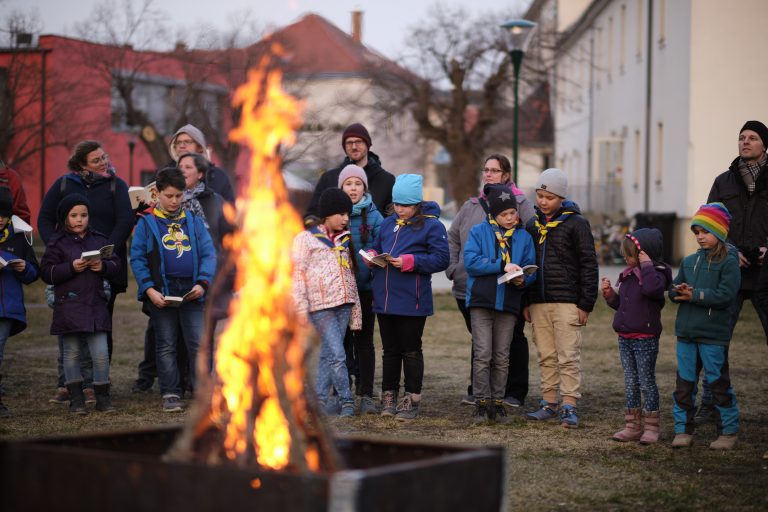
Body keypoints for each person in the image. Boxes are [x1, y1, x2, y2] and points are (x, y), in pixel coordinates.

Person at [38, 140, 132, 404]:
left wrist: (105, 249)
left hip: (104, 265)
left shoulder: (116, 186)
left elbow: (125, 220)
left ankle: (96, 384)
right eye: (96, 160)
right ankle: (67, 383)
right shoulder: (64, 184)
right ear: (81, 164)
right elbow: (45, 217)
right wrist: (58, 245)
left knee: (100, 324)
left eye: (104, 157)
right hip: (69, 269)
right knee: (68, 325)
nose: (104, 163)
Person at [446, 154, 535, 408]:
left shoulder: (520, 202)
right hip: (471, 288)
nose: (488, 174)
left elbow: (532, 234)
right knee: (481, 343)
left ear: (506, 175)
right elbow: (452, 237)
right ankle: (480, 392)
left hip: (509, 291)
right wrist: (454, 268)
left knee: (509, 343)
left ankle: (512, 392)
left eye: (494, 171)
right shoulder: (471, 205)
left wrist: (524, 277)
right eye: (485, 170)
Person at [130, 168, 216, 412]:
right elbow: (137, 259)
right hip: (162, 292)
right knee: (166, 343)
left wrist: (202, 282)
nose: (174, 201)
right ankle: (170, 392)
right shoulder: (146, 222)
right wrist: (149, 289)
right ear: (156, 193)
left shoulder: (194, 222)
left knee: (198, 342)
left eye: (179, 196)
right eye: (169, 196)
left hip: (192, 290)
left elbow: (209, 253)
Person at [366, 174, 449, 421]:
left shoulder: (432, 226)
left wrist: (411, 262)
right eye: (397, 205)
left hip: (412, 301)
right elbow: (376, 244)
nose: (400, 210)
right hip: (385, 299)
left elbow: (442, 259)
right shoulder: (387, 223)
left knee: (410, 350)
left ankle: (412, 397)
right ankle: (388, 394)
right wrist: (371, 255)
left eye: (406, 205)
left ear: (417, 204)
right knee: (390, 351)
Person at [702, 120, 768, 425]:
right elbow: (710, 221)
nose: (745, 142)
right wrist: (729, 250)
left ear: (764, 145)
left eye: (752, 138)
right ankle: (712, 402)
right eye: (741, 137)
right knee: (716, 341)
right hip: (730, 273)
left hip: (766, 276)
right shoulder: (723, 182)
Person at [523, 168, 598, 429]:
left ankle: (569, 404)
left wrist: (585, 303)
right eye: (540, 195)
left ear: (561, 198)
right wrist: (526, 301)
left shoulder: (577, 224)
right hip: (539, 301)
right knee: (546, 354)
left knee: (568, 355)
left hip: (567, 301)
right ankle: (548, 402)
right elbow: (526, 263)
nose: (543, 202)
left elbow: (589, 264)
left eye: (550, 197)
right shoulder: (532, 224)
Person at [669, 203, 741, 450]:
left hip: (713, 336)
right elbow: (674, 287)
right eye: (696, 232)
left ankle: (728, 431)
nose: (700, 237)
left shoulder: (730, 262)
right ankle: (683, 430)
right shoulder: (689, 261)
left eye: (705, 231)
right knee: (684, 385)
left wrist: (696, 295)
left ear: (720, 232)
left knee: (718, 384)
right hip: (686, 335)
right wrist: (676, 291)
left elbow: (726, 295)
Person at [40, 194, 120, 414]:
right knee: (72, 353)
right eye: (74, 215)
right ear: (64, 218)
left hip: (95, 306)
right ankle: (76, 399)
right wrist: (70, 267)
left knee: (101, 353)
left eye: (83, 215)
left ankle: (103, 397)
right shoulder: (57, 243)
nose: (79, 219)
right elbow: (46, 272)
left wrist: (103, 266)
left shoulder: (99, 239)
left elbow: (116, 264)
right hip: (69, 306)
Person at [463, 183, 536, 424]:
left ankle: (498, 401)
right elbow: (472, 262)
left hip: (508, 303)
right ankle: (482, 402)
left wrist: (524, 278)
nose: (510, 218)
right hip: (482, 302)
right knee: (483, 353)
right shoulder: (478, 232)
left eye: (513, 213)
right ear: (493, 215)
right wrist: (501, 265)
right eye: (504, 214)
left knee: (502, 356)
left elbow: (530, 266)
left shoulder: (523, 237)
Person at [293, 188, 362, 418]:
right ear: (327, 214)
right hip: (320, 307)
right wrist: (301, 309)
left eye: (348, 215)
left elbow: (350, 274)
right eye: (341, 213)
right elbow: (296, 274)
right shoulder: (306, 239)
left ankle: (320, 401)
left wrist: (356, 309)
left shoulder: (345, 239)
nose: (345, 218)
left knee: (328, 355)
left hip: (344, 304)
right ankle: (346, 400)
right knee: (338, 354)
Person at [601, 229, 672, 444]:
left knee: (646, 381)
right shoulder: (629, 274)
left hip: (645, 338)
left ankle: (651, 426)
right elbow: (622, 305)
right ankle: (632, 425)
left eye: (629, 255)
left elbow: (652, 290)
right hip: (625, 337)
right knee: (630, 381)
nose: (625, 258)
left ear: (644, 254)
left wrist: (647, 265)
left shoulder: (658, 274)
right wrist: (610, 295)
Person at [338, 165, 383, 414]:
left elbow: (382, 245)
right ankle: (342, 392)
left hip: (366, 289)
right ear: (341, 187)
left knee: (364, 342)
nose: (353, 188)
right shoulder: (334, 216)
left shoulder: (375, 217)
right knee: (341, 342)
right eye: (348, 184)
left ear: (364, 188)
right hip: (340, 291)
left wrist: (374, 260)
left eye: (357, 184)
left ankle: (366, 393)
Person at [0, 187, 39, 417]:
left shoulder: (19, 236)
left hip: (7, 308)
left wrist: (25, 268)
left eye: (4, 215)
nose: (0, 220)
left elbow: (34, 273)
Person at [305, 123, 395, 218]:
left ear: (367, 145)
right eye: (349, 143)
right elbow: (313, 214)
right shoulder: (328, 179)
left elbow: (393, 218)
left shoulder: (386, 180)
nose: (354, 147)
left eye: (358, 142)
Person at [168, 124, 235, 203]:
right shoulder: (164, 176)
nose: (182, 146)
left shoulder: (218, 176)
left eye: (187, 142)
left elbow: (230, 210)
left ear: (199, 147)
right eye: (178, 142)